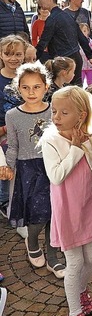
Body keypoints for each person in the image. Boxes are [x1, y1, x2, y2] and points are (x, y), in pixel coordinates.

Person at [40, 86, 92, 316]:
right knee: (74, 262)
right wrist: (76, 149)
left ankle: (81, 290)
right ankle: (74, 311)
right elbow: (56, 176)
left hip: (87, 207)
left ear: (80, 114)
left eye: (63, 112)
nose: (55, 117)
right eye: (54, 111)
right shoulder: (50, 141)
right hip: (67, 211)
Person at [6, 62, 65, 278]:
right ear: (18, 88)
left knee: (54, 213)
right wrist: (8, 166)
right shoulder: (12, 115)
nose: (32, 92)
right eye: (26, 87)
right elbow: (13, 145)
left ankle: (52, 257)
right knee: (38, 214)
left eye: (37, 87)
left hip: (52, 167)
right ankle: (32, 242)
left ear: (46, 87)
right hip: (28, 171)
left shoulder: (54, 110)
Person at [35, 0, 92, 87]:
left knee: (65, 95)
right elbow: (81, 36)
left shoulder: (53, 18)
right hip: (75, 58)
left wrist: (32, 59)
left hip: (64, 62)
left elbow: (43, 41)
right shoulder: (66, 14)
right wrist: (90, 55)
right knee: (76, 93)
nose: (38, 2)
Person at [0, 34, 27, 218]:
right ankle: (4, 200)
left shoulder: (29, 77)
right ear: (1, 55)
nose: (13, 58)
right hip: (4, 131)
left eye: (18, 54)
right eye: (8, 54)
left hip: (27, 128)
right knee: (7, 165)